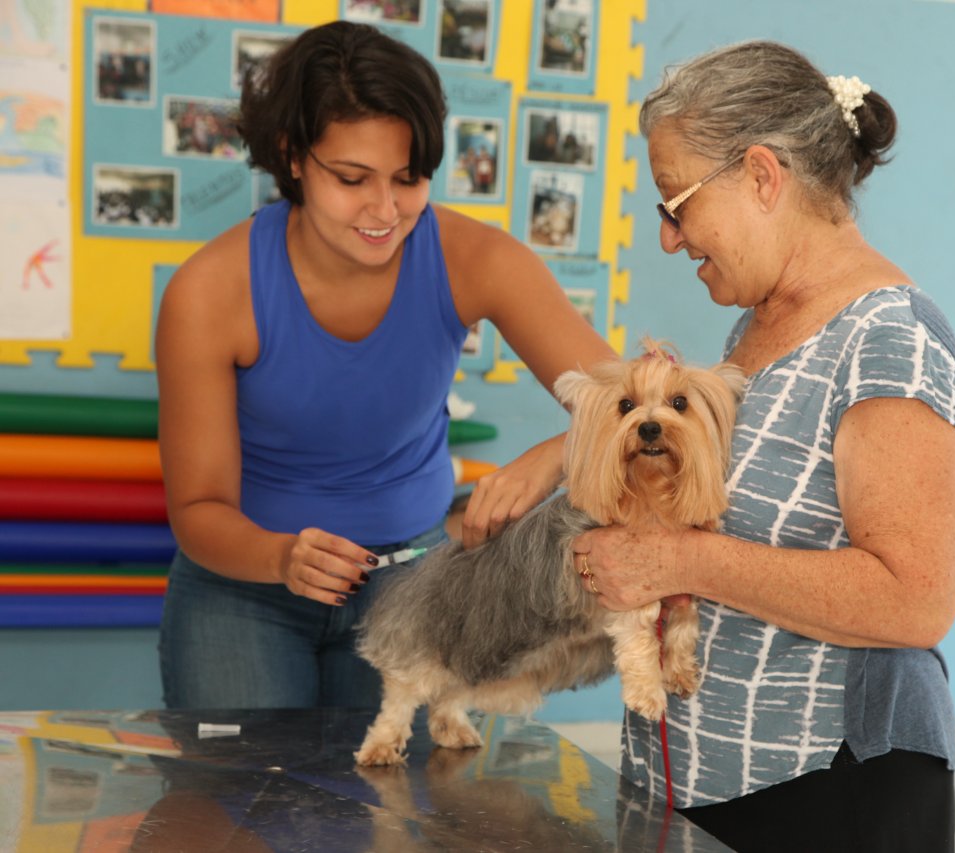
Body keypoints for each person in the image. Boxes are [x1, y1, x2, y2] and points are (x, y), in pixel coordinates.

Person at [571, 41, 955, 852]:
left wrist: (677, 563)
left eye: (676, 204)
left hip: (827, 792)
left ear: (761, 175)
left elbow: (915, 599)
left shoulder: (891, 340)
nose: (670, 239)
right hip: (706, 780)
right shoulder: (758, 323)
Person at [155, 20, 614, 711]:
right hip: (243, 592)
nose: (384, 209)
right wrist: (283, 558)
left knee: (402, 813)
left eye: (408, 178)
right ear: (294, 157)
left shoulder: (478, 260)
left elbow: (635, 401)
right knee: (247, 811)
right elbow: (197, 509)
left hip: (416, 585)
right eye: (351, 178)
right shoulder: (207, 293)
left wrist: (558, 453)